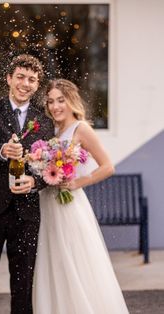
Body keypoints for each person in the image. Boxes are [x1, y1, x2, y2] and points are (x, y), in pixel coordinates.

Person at [0, 54, 54, 314]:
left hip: (26, 213)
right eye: (21, 77)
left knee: (24, 285)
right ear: (9, 79)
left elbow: (48, 167)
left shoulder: (44, 121)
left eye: (32, 80)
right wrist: (3, 149)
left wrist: (34, 182)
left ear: (37, 85)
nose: (26, 83)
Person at [33, 79, 129, 313]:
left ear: (71, 100)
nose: (55, 106)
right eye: (51, 101)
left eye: (60, 100)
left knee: (73, 261)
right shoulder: (51, 130)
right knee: (52, 261)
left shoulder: (81, 128)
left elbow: (107, 166)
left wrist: (77, 183)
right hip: (47, 203)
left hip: (68, 205)